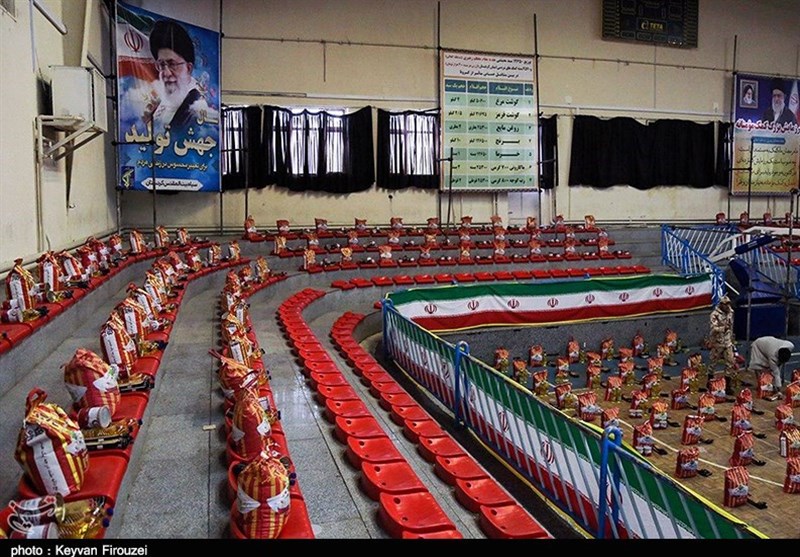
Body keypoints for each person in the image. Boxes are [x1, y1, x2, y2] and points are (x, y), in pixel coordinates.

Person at [144, 19, 217, 135]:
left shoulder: (196, 107)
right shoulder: (162, 102)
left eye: (172, 64)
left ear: (188, 68)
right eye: (162, 65)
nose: (166, 73)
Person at [747, 335, 794, 401]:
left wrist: (777, 384)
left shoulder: (790, 345)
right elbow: (776, 373)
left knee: (774, 370)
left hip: (769, 342)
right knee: (757, 365)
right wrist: (779, 389)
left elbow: (778, 367)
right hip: (758, 345)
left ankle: (771, 386)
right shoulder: (772, 356)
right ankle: (760, 385)